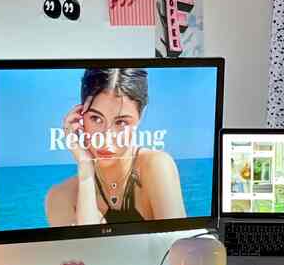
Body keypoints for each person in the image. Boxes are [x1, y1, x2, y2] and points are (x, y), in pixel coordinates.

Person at [45, 68, 186, 227]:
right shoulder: (60, 197)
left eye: (121, 122)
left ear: (141, 116)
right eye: (96, 118)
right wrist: (86, 170)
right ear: (80, 116)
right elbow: (84, 250)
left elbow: (178, 247)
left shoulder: (156, 166)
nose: (106, 137)